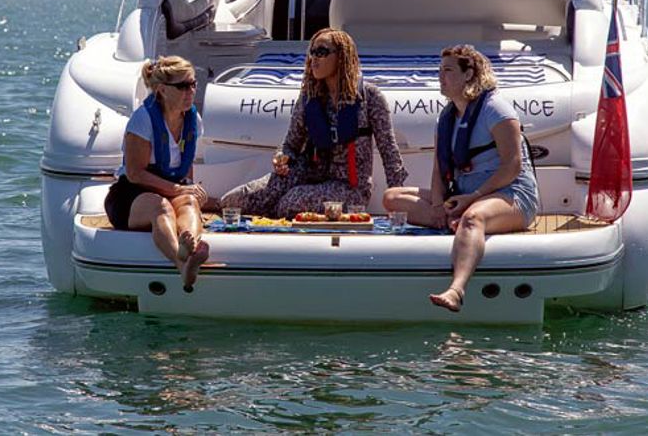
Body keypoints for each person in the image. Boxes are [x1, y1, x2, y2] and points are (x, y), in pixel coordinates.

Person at [382, 44, 539, 312]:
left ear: (469, 74)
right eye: (439, 71)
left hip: (510, 194)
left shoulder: (496, 110)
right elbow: (438, 170)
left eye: (448, 70)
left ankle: (456, 290)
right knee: (392, 198)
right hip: (465, 194)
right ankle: (452, 222)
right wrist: (437, 206)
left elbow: (512, 167)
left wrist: (473, 199)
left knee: (473, 217)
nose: (440, 77)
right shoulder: (446, 117)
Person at [219, 29, 408, 219]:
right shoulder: (309, 97)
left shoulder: (370, 97)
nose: (313, 59)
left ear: (341, 57)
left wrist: (398, 200)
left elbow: (389, 153)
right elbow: (290, 145)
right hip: (308, 174)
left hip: (349, 188)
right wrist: (282, 158)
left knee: (290, 203)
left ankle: (278, 214)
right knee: (235, 200)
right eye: (312, 52)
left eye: (322, 52)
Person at [103, 56, 210, 292]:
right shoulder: (143, 119)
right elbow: (134, 173)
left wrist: (188, 189)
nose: (190, 91)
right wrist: (177, 189)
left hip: (172, 187)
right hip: (132, 193)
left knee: (190, 203)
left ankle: (188, 247)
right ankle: (181, 264)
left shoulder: (194, 120)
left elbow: (185, 166)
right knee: (160, 207)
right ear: (162, 90)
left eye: (193, 84)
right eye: (182, 86)